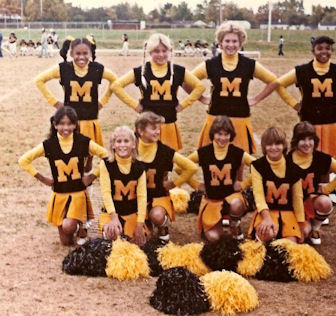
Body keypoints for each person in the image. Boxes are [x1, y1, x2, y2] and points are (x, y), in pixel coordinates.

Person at [185, 22, 282, 155]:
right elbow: (186, 81)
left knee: (239, 162)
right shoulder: (210, 64)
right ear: (220, 42)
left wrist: (256, 99)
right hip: (215, 117)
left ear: (241, 42)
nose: (231, 45)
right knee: (214, 160)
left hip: (240, 118)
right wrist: (201, 98)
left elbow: (274, 81)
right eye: (227, 41)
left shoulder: (249, 64)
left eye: (235, 41)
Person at [18, 106, 108, 246]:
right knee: (66, 242)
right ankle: (78, 225)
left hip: (78, 194)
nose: (66, 128)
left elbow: (107, 156)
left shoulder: (83, 141)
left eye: (70, 124)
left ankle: (80, 224)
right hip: (59, 195)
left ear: (75, 124)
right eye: (61, 124)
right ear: (55, 124)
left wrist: (92, 176)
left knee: (67, 226)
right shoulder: (48, 145)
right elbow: (23, 160)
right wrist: (43, 179)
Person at [34, 36, 117, 176]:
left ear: (90, 53)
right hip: (71, 123)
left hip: (90, 121)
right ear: (71, 53)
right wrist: (54, 102)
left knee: (88, 159)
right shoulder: (63, 69)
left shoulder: (97, 69)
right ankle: (73, 188)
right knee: (72, 158)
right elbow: (39, 80)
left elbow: (114, 80)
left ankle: (86, 192)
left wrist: (102, 102)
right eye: (78, 53)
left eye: (85, 53)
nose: (81, 57)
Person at [275, 35, 336, 157]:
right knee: (306, 158)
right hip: (309, 122)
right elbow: (278, 85)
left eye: (328, 48)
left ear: (332, 51)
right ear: (313, 51)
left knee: (327, 161)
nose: (324, 51)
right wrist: (294, 105)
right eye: (319, 48)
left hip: (331, 122)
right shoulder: (301, 71)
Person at [111, 33, 204, 151]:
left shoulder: (178, 70)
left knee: (165, 164)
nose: (161, 54)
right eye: (156, 51)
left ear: (169, 51)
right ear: (150, 52)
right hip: (147, 126)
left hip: (168, 123)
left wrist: (183, 105)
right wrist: (134, 105)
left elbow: (199, 87)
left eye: (164, 50)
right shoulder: (141, 71)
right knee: (146, 162)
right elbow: (116, 86)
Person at [186, 116, 255, 243]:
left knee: (237, 204)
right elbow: (181, 167)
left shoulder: (236, 152)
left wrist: (244, 184)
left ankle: (234, 224)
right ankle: (219, 221)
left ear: (231, 135)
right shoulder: (204, 152)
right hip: (212, 200)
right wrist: (196, 184)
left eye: (226, 134)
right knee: (214, 238)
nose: (222, 138)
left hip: (231, 198)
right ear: (213, 134)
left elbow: (259, 166)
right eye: (219, 134)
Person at [135, 111, 198, 242]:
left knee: (156, 216)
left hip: (158, 196)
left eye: (159, 128)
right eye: (153, 128)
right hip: (137, 199)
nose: (158, 132)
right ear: (140, 131)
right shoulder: (131, 149)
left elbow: (191, 167)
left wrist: (174, 183)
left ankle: (163, 226)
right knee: (144, 238)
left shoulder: (165, 151)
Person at [287, 121, 336, 245]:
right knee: (301, 234)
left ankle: (315, 228)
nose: (307, 143)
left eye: (310, 139)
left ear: (315, 140)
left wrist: (326, 190)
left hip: (310, 202)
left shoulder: (321, 158)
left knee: (325, 202)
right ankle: (305, 226)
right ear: (295, 141)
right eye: (302, 139)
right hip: (291, 205)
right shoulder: (287, 159)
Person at [248, 127, 305, 244]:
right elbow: (258, 195)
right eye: (269, 144)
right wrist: (266, 218)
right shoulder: (258, 166)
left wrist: (301, 225)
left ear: (284, 145)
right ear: (264, 147)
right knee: (267, 234)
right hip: (267, 212)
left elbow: (297, 199)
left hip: (287, 214)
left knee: (289, 247)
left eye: (277, 143)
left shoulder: (294, 169)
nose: (273, 148)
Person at [98, 126, 148, 246]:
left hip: (131, 213)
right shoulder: (106, 164)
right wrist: (113, 218)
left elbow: (142, 196)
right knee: (114, 235)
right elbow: (106, 193)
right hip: (111, 214)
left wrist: (140, 223)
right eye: (118, 141)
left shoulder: (139, 167)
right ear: (113, 145)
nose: (122, 145)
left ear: (133, 144)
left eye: (126, 141)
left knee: (139, 243)